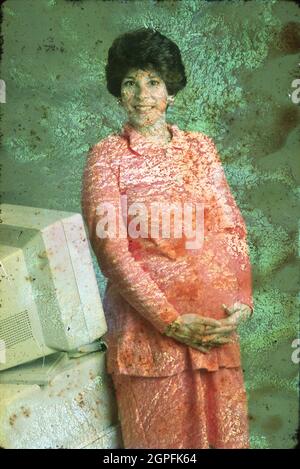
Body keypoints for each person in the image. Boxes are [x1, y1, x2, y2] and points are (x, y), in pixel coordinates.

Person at [81, 28, 253, 449]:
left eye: (153, 81)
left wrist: (242, 304)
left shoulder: (201, 149)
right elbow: (112, 254)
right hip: (149, 340)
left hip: (213, 330)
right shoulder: (107, 157)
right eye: (130, 82)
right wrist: (173, 323)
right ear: (118, 92)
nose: (142, 94)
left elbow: (230, 228)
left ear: (171, 91)